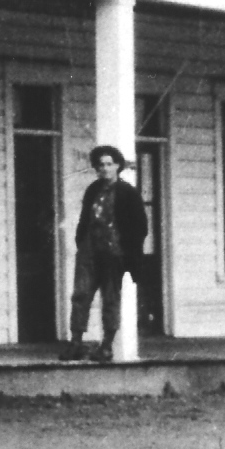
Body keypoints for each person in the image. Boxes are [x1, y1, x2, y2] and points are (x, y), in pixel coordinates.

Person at [61, 144, 148, 363]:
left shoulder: (128, 193)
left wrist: (128, 252)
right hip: (89, 251)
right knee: (81, 295)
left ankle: (106, 346)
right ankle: (76, 343)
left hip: (113, 253)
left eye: (109, 164)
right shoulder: (93, 190)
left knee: (110, 298)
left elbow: (140, 226)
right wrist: (82, 241)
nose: (105, 169)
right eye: (101, 165)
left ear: (117, 166)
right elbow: (85, 218)